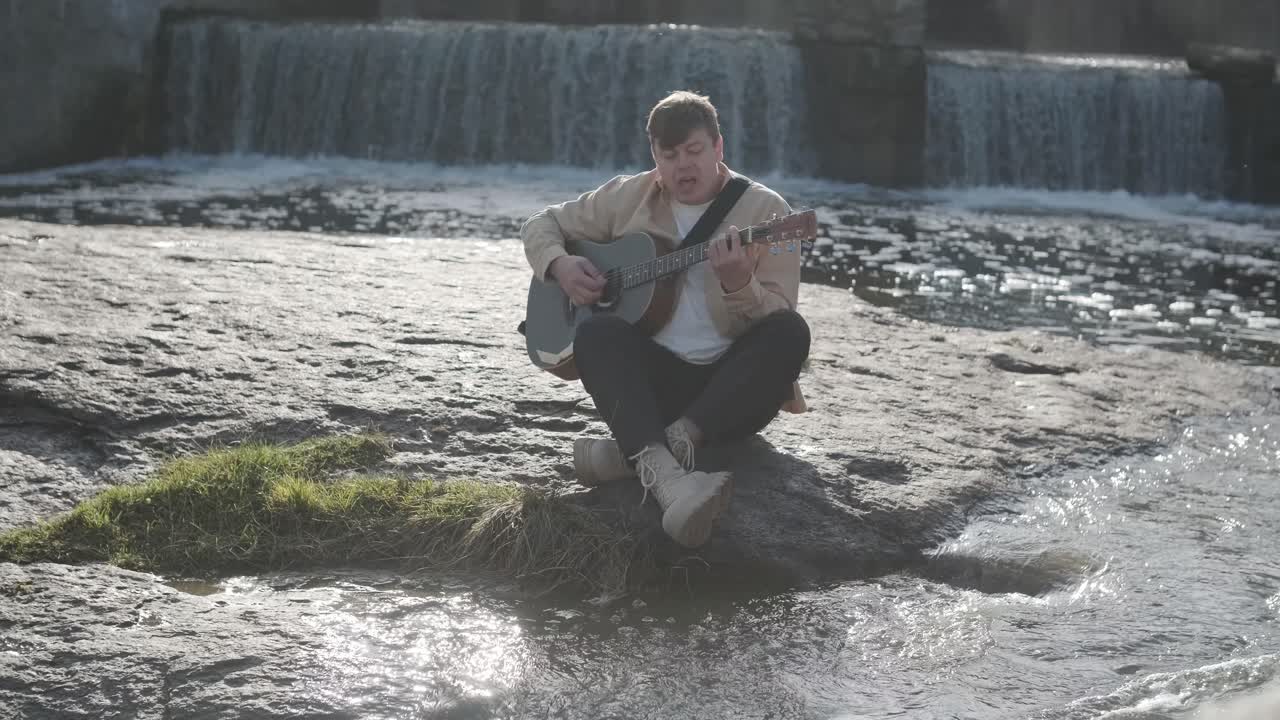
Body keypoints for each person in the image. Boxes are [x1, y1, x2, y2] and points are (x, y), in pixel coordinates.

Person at [520, 90, 810, 549]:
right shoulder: (629, 196)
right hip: (652, 387)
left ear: (718, 148)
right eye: (668, 155)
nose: (682, 167)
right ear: (655, 157)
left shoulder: (769, 213)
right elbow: (541, 224)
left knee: (791, 333)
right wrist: (560, 265)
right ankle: (671, 481)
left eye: (694, 151)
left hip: (729, 394)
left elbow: (779, 311)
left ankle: (638, 453)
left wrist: (739, 285)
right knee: (596, 333)